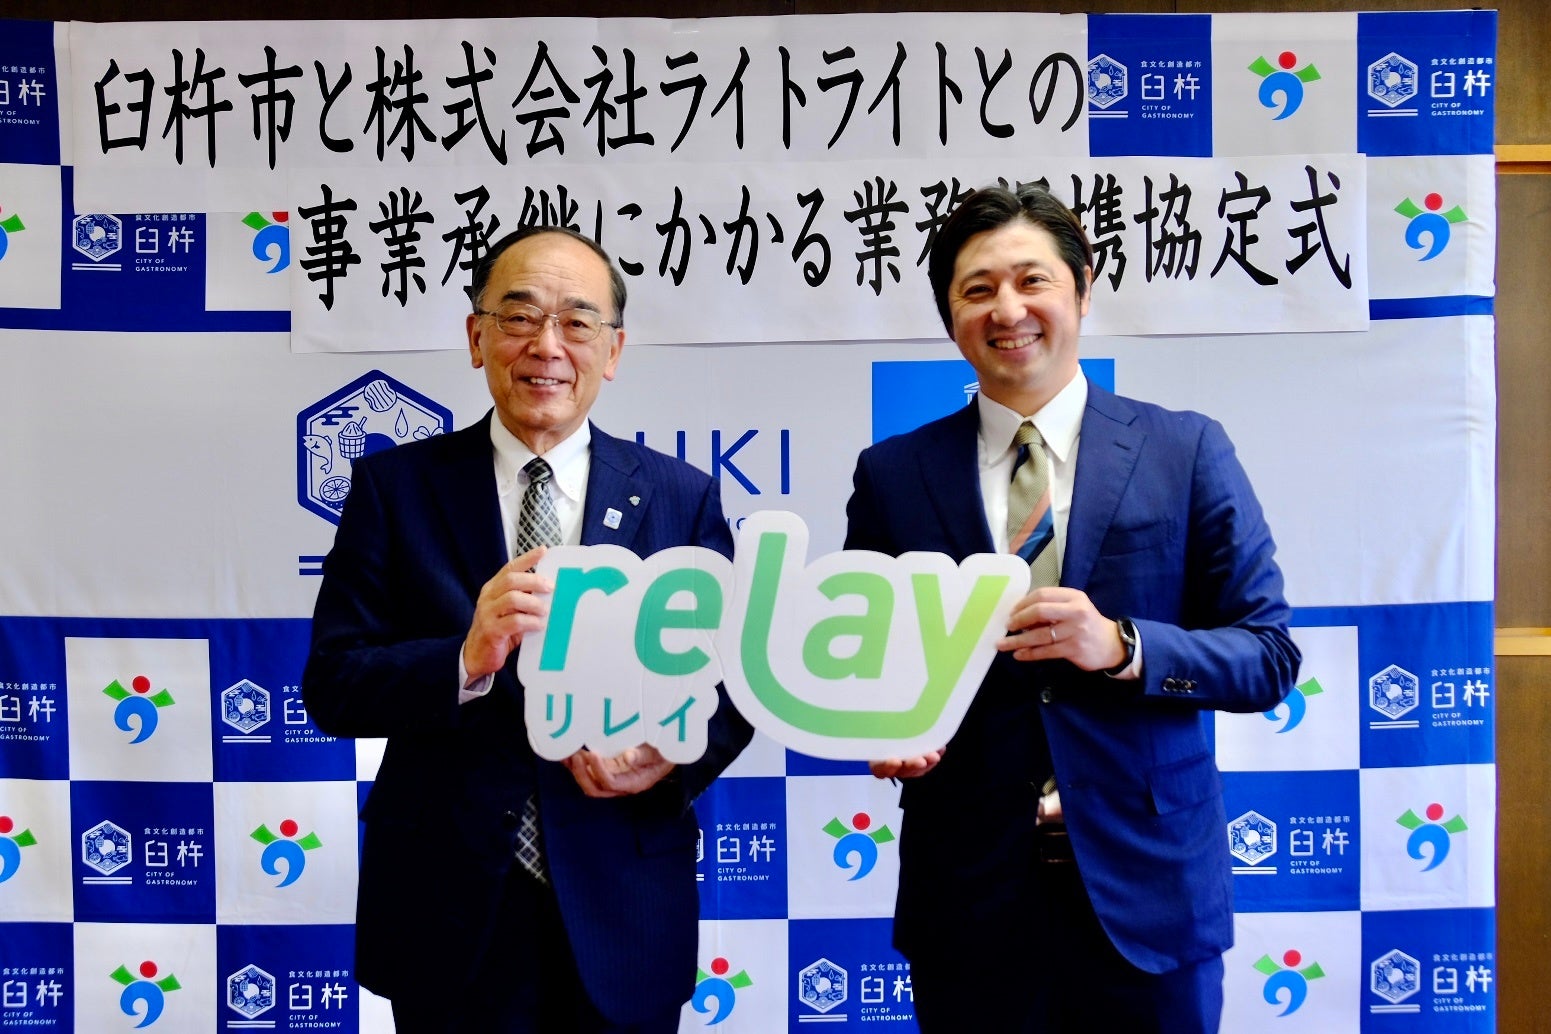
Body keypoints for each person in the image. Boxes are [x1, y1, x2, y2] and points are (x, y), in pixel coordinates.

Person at [845, 185, 1300, 1033]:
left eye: (1032, 281)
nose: (1007, 309)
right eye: (977, 289)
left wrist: (1122, 645)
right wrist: (883, 725)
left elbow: (1267, 655)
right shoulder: (894, 474)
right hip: (969, 893)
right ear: (949, 315)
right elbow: (865, 660)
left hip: (1148, 891)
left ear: (1082, 288)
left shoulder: (1184, 449)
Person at [302, 226, 752, 1033]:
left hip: (622, 897)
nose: (547, 346)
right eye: (518, 317)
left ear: (612, 351)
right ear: (477, 338)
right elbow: (334, 684)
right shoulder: (394, 489)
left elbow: (734, 686)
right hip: (448, 904)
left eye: (577, 322)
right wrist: (463, 659)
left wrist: (665, 755)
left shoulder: (679, 497)